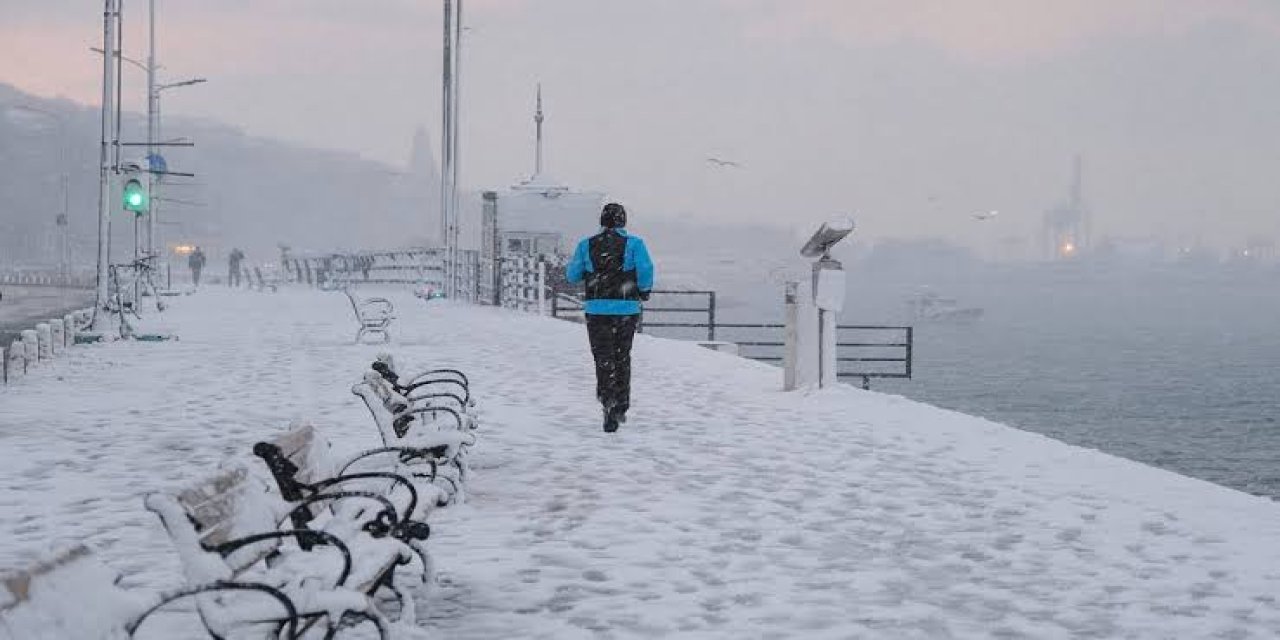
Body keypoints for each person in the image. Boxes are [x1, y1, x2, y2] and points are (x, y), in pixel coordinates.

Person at [565, 202, 655, 433]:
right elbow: (646, 269)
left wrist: (591, 271)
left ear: (602, 221)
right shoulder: (635, 244)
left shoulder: (586, 245)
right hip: (626, 310)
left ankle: (608, 402)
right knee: (622, 356)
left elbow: (572, 275)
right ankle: (621, 405)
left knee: (603, 358)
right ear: (623, 221)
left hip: (597, 310)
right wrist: (644, 290)